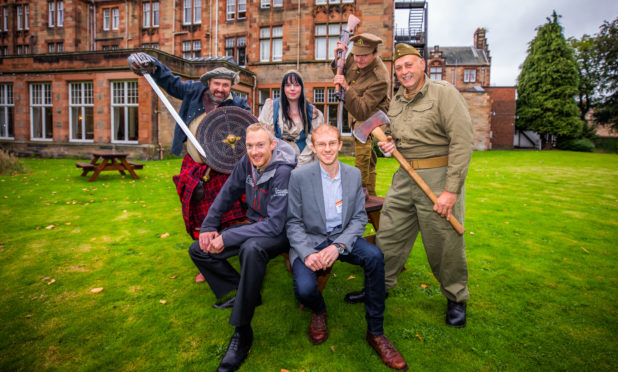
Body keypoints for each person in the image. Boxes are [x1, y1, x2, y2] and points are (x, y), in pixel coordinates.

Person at [347, 43, 474, 328]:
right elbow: (394, 136)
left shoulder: (443, 94)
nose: (404, 71)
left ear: (422, 64)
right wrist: (387, 143)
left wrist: (451, 191)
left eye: (409, 65)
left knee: (444, 242)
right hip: (405, 178)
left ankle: (456, 297)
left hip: (438, 177)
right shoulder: (397, 102)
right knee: (388, 237)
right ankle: (378, 289)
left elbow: (463, 142)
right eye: (399, 67)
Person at [286, 124, 408, 371]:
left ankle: (376, 333)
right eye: (322, 144)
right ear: (313, 147)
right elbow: (293, 222)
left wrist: (339, 246)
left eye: (332, 143)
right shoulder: (298, 177)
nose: (328, 149)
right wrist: (308, 254)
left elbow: (358, 219)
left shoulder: (352, 175)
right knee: (305, 289)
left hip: (342, 237)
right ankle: (319, 311)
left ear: (340, 145)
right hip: (311, 240)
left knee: (374, 256)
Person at [128, 52, 250, 282]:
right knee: (199, 216)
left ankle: (217, 255)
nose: (220, 89)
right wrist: (152, 66)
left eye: (225, 85)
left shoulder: (240, 105)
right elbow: (170, 82)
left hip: (223, 170)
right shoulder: (194, 92)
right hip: (195, 165)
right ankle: (205, 258)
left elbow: (251, 132)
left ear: (231, 86)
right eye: (217, 84)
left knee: (229, 216)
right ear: (209, 84)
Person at [188, 123, 296, 371]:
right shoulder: (246, 163)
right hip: (254, 223)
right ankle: (246, 291)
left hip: (280, 231)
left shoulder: (283, 171)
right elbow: (227, 193)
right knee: (198, 250)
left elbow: (275, 225)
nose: (255, 151)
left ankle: (242, 332)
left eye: (260, 145)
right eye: (250, 146)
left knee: (251, 249)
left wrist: (226, 238)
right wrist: (208, 227)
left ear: (272, 144)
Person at [332, 33, 390, 196]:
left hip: (371, 114)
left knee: (362, 144)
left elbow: (362, 110)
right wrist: (338, 58)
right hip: (356, 110)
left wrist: (347, 88)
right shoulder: (354, 56)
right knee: (370, 162)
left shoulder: (380, 78)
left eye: (364, 56)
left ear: (375, 54)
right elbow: (341, 69)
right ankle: (370, 195)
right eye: (356, 54)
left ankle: (361, 188)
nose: (358, 60)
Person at [258, 70, 324, 166]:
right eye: (288, 85)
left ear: (302, 88)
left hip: (304, 160)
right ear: (283, 88)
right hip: (276, 158)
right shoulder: (271, 107)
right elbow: (263, 135)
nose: (292, 89)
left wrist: (299, 164)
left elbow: (314, 140)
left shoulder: (311, 112)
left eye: (296, 85)